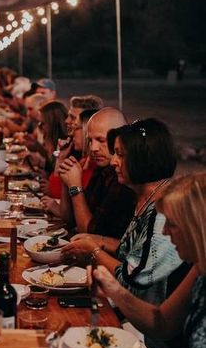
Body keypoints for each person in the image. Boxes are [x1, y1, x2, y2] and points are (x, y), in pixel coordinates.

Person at [94, 172, 206, 348]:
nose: (164, 232)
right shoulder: (200, 268)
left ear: (197, 228)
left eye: (172, 224)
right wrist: (115, 291)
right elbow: (161, 322)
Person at [62, 118, 183, 304]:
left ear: (142, 158)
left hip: (146, 322)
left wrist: (93, 251)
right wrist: (99, 240)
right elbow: (137, 251)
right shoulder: (147, 196)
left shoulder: (164, 212)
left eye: (120, 154)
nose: (114, 162)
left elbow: (132, 281)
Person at [58, 108, 136, 238]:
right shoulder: (102, 170)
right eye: (90, 140)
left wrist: (75, 187)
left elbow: (90, 234)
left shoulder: (124, 178)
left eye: (101, 140)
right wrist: (66, 181)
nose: (93, 148)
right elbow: (69, 220)